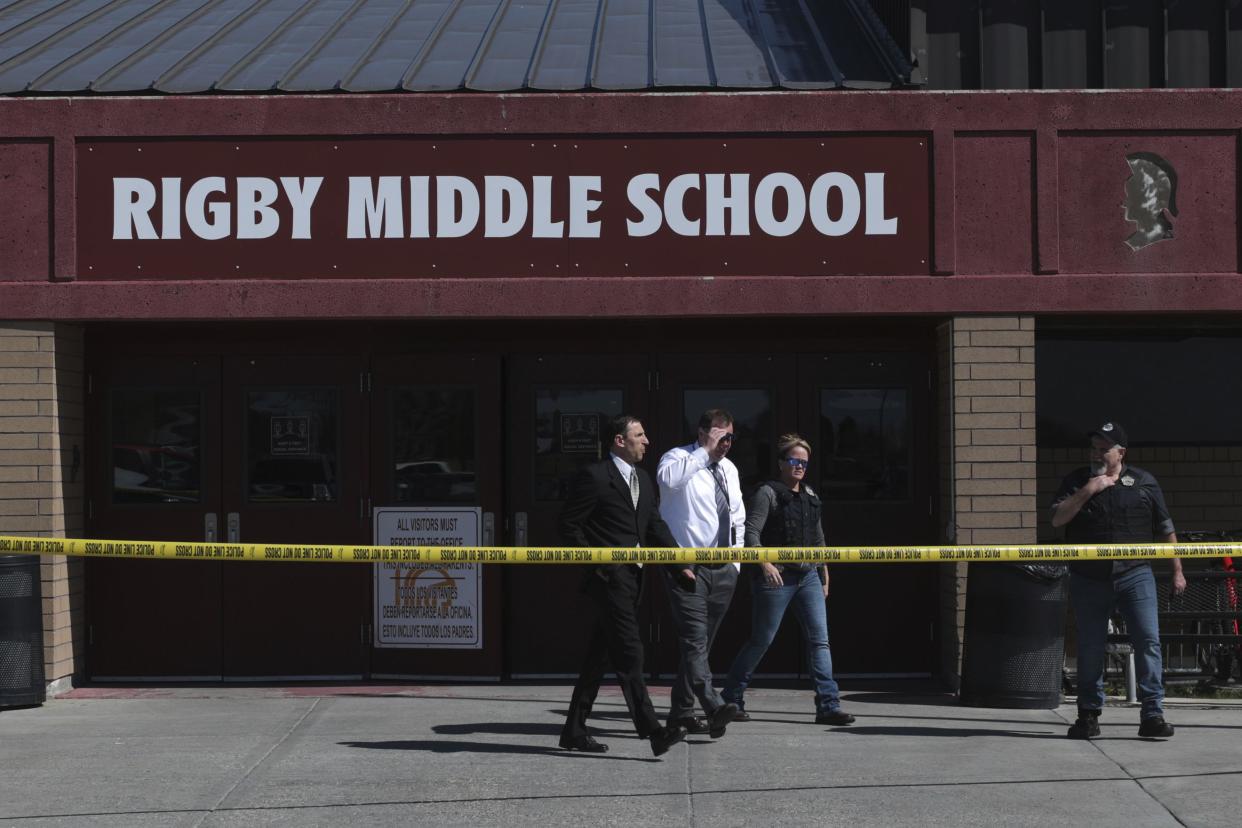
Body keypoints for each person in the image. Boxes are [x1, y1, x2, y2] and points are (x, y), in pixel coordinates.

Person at [558, 414, 688, 757]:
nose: (647, 441)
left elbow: (655, 528)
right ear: (620, 440)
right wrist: (598, 563)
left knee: (598, 658)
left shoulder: (643, 480)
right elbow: (569, 526)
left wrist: (679, 567)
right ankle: (653, 730)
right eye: (639, 435)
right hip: (607, 579)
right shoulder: (595, 476)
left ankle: (573, 730)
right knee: (631, 652)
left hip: (634, 579)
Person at [1051, 421, 1186, 740]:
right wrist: (1090, 489)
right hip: (1089, 576)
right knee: (1089, 646)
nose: (1097, 453)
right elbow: (1057, 519)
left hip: (1135, 574)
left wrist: (1177, 570)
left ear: (1120, 452)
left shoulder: (1143, 482)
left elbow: (1166, 528)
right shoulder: (1076, 481)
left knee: (1148, 642)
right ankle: (1088, 716)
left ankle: (1152, 713)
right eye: (1093, 448)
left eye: (1104, 449)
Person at [722, 433, 855, 725]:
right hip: (777, 577)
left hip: (808, 576)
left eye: (804, 462)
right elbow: (750, 534)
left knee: (820, 641)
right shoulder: (767, 493)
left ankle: (828, 706)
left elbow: (819, 541)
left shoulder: (811, 496)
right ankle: (731, 697)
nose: (799, 466)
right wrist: (765, 564)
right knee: (761, 640)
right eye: (794, 460)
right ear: (781, 462)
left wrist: (824, 573)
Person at [656, 408, 744, 738]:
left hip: (724, 568)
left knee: (702, 647)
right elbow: (667, 481)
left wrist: (735, 564)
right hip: (688, 568)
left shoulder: (730, 470)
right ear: (703, 432)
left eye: (731, 437)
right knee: (694, 642)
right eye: (721, 437)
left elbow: (736, 516)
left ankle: (681, 713)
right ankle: (712, 705)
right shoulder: (677, 459)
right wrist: (704, 452)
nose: (727, 444)